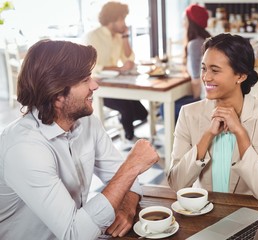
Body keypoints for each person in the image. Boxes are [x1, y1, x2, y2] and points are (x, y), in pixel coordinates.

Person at [0, 39, 159, 239]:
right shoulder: (24, 148)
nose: (95, 85)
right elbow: (74, 234)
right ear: (57, 94)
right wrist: (132, 165)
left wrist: (127, 208)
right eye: (85, 80)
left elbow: (126, 182)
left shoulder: (86, 123)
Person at [167, 33, 258, 200]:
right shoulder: (188, 114)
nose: (206, 77)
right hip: (204, 213)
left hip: (250, 217)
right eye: (204, 68)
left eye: (215, 70)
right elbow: (177, 184)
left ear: (240, 76)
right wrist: (207, 135)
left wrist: (240, 133)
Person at [83, 1, 148, 142]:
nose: (124, 23)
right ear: (112, 20)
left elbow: (129, 58)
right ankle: (129, 137)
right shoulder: (93, 36)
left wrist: (125, 37)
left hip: (116, 83)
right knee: (126, 108)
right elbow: (93, 67)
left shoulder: (118, 36)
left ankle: (123, 121)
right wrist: (119, 68)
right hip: (98, 86)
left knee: (142, 113)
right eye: (122, 19)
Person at [160, 4, 211, 122]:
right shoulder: (206, 39)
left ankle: (179, 139)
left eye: (184, 19)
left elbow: (196, 81)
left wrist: (196, 101)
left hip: (205, 99)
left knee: (165, 108)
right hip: (213, 96)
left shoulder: (194, 44)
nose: (183, 23)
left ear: (191, 22)